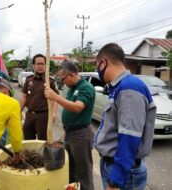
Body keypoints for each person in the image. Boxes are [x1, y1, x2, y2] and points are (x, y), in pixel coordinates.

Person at [94, 43, 156, 190]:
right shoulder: (120, 86)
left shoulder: (130, 88)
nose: (97, 71)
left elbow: (129, 137)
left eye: (97, 65)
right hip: (116, 167)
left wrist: (115, 180)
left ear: (103, 63)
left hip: (123, 175)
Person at [44, 61, 95, 190]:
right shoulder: (72, 88)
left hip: (81, 134)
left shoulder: (86, 87)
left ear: (71, 75)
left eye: (63, 79)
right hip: (70, 133)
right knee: (71, 168)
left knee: (84, 170)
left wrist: (56, 97)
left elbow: (78, 107)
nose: (62, 82)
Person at [20, 54, 59, 140]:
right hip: (30, 115)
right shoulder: (28, 80)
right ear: (33, 65)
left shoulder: (50, 81)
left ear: (46, 65)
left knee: (43, 142)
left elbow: (56, 99)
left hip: (44, 116)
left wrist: (54, 113)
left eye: (42, 64)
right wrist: (19, 111)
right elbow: (24, 97)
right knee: (28, 140)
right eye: (38, 64)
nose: (40, 66)